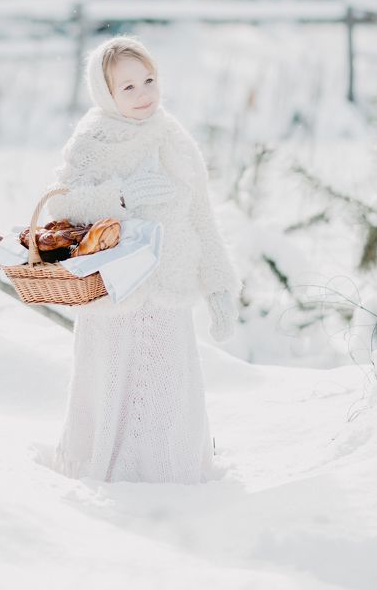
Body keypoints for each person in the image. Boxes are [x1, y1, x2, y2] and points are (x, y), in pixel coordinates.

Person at [44, 34, 242, 484]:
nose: (144, 94)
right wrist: (120, 197)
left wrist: (218, 287)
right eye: (127, 87)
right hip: (114, 288)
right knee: (112, 380)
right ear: (105, 93)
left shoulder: (174, 138)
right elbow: (62, 204)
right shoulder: (92, 139)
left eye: (149, 80)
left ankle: (167, 474)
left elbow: (200, 216)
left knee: (166, 387)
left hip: (169, 288)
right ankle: (105, 471)